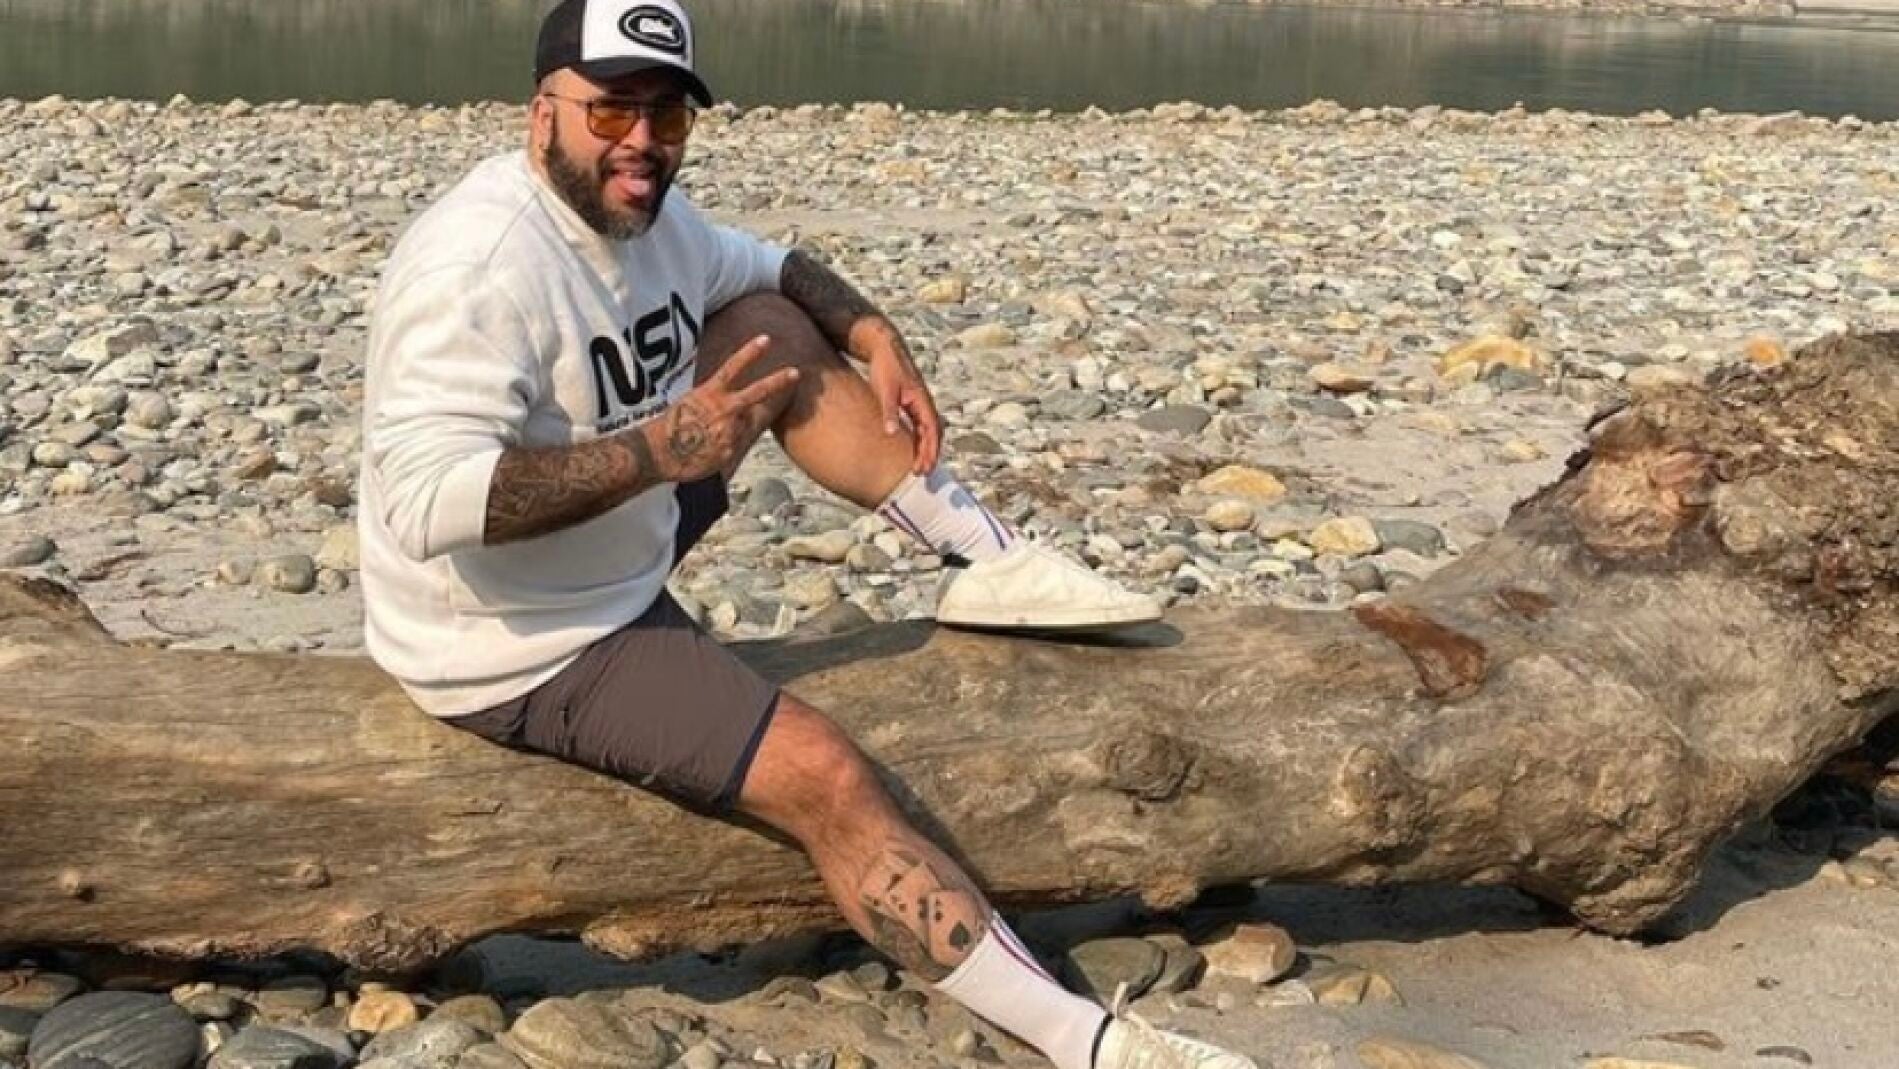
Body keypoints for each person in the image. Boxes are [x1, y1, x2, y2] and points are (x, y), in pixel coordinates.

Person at [357, 2, 1254, 1067]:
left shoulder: (648, 217)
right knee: (826, 773)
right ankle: (1088, 1042)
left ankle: (989, 559)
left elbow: (772, 267)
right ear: (539, 112)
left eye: (667, 116)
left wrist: (873, 331)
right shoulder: (476, 271)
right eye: (610, 111)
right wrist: (657, 451)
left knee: (776, 331)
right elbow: (423, 504)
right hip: (526, 637)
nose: (641, 141)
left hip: (620, 530)